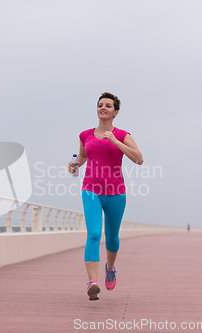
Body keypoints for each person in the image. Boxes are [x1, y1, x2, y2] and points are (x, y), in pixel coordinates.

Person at [68, 92, 143, 301]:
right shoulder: (85, 135)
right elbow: (83, 155)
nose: (103, 108)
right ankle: (92, 283)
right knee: (93, 234)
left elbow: (139, 159)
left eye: (108, 106)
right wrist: (75, 164)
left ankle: (110, 268)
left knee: (111, 237)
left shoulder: (122, 134)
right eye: (100, 105)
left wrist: (115, 141)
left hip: (116, 192)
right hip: (90, 189)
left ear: (115, 112)